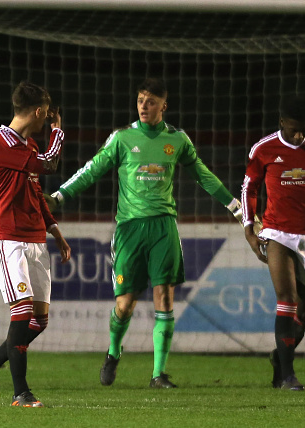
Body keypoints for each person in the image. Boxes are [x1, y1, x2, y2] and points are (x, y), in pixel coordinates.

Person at [47, 78, 243, 388]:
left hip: (163, 226)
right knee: (125, 304)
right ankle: (113, 353)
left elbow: (203, 176)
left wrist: (236, 207)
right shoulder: (122, 138)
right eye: (140, 100)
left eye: (150, 102)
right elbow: (91, 170)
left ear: (163, 106)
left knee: (164, 296)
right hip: (130, 229)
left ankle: (158, 374)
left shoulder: (177, 140)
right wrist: (59, 197)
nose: (143, 106)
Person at [241, 95, 305, 391]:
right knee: (287, 299)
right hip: (276, 234)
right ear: (282, 123)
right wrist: (250, 228)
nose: (299, 135)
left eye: (304, 129)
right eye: (293, 129)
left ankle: (280, 356)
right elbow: (250, 187)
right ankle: (288, 376)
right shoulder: (264, 149)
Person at [0, 81, 71, 407]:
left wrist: (55, 231)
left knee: (39, 319)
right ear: (39, 112)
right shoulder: (0, 142)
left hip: (35, 237)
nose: (47, 122)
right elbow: (49, 163)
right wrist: (59, 132)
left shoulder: (27, 144)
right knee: (22, 311)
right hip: (8, 238)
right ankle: (21, 393)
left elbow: (35, 191)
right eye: (47, 117)